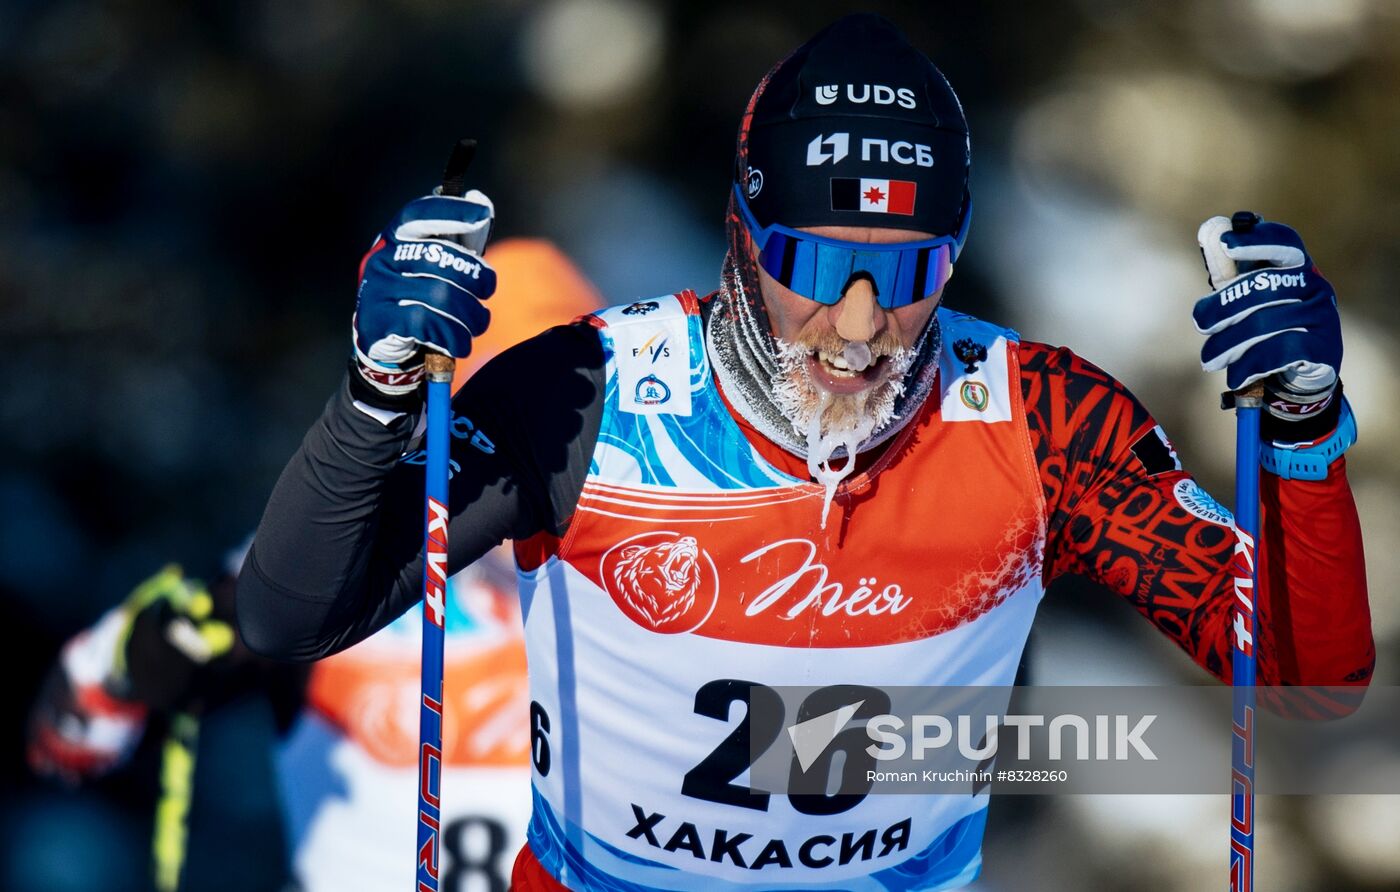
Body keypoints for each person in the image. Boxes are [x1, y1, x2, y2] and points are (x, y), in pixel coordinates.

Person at [236, 14, 1372, 891]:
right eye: (820, 269)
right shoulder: (589, 395)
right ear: (742, 233)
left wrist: (1303, 429)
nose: (863, 322)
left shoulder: (1042, 420)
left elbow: (1305, 678)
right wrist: (375, 394)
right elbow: (291, 617)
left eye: (912, 268)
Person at [29, 240, 602, 892]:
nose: (542, 469)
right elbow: (86, 713)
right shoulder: (355, 558)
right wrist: (146, 656)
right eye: (506, 433)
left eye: (571, 435)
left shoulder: (642, 583)